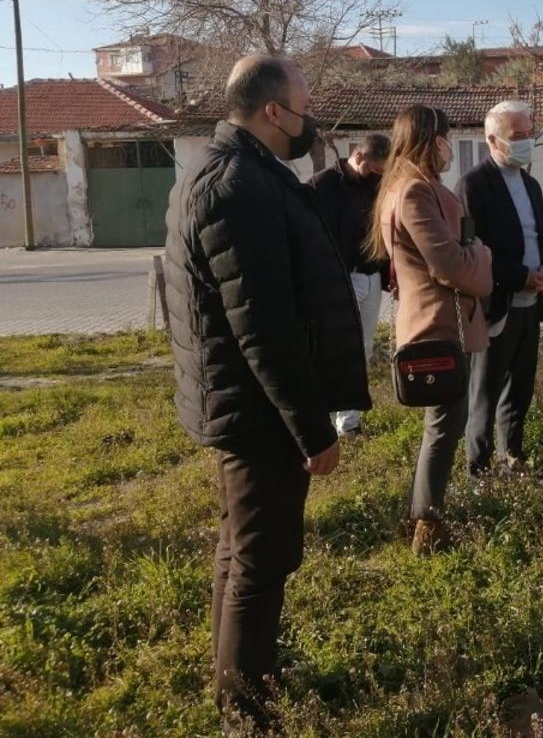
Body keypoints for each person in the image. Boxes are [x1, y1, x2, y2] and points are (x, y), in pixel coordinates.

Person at [164, 55, 370, 731]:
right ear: (273, 111)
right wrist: (311, 430)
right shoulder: (239, 186)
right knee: (260, 561)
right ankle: (247, 714)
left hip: (243, 400)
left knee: (240, 549)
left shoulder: (232, 170)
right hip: (257, 412)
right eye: (305, 108)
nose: (312, 121)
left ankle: (240, 682)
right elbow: (264, 328)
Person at [366, 104, 492, 555]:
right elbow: (448, 264)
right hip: (438, 324)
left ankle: (419, 514)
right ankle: (427, 524)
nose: (450, 148)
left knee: (443, 422)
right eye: (447, 139)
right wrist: (483, 256)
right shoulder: (414, 191)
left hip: (443, 320)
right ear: (433, 140)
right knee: (445, 425)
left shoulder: (410, 185)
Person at [456, 100, 543, 476]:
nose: (526, 141)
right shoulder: (473, 185)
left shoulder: (531, 184)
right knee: (485, 390)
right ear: (492, 140)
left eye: (529, 134)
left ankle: (511, 455)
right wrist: (519, 276)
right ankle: (478, 467)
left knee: (520, 387)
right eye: (517, 136)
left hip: (531, 303)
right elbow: (472, 250)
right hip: (495, 304)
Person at [309, 132, 391, 437]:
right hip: (339, 279)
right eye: (375, 169)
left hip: (371, 276)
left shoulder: (376, 185)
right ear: (359, 157)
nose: (377, 176)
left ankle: (349, 421)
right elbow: (312, 237)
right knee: (334, 348)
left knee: (362, 349)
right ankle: (322, 418)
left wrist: (388, 275)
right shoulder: (322, 185)